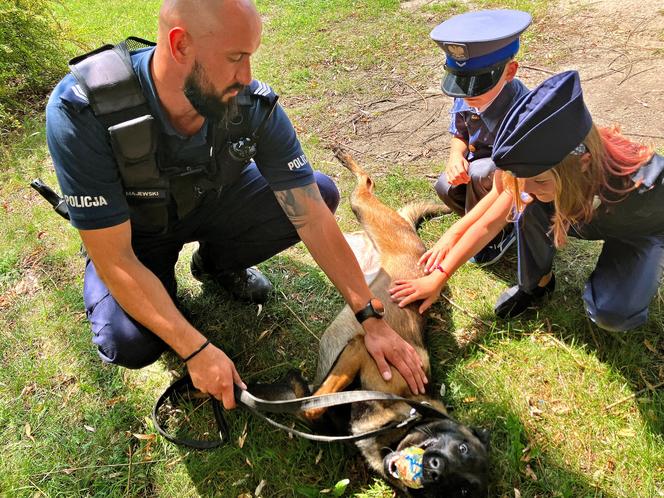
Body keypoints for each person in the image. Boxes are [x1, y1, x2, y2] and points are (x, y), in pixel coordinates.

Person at [45, 0, 427, 410]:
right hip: (136, 235)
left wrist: (370, 316)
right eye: (234, 58)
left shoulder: (249, 104)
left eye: (250, 58)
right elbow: (114, 257)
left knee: (321, 190)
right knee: (129, 343)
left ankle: (215, 264)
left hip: (214, 204)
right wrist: (193, 349)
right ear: (179, 45)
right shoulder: (84, 111)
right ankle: (162, 295)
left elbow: (312, 216)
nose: (246, 77)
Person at [390, 70, 664, 333]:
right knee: (528, 205)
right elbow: (489, 220)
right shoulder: (541, 173)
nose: (528, 190)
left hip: (637, 231)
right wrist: (439, 273)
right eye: (525, 181)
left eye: (540, 182)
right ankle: (537, 284)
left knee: (612, 313)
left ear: (583, 163)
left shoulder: (648, 186)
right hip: (576, 208)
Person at [429, 9, 531, 265]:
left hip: (512, 181)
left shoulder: (521, 108)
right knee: (445, 185)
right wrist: (455, 155)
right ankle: (474, 222)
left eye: (479, 83)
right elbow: (460, 131)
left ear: (510, 72)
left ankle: (496, 232)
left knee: (480, 173)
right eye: (461, 82)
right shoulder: (467, 93)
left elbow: (516, 177)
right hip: (480, 170)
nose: (467, 94)